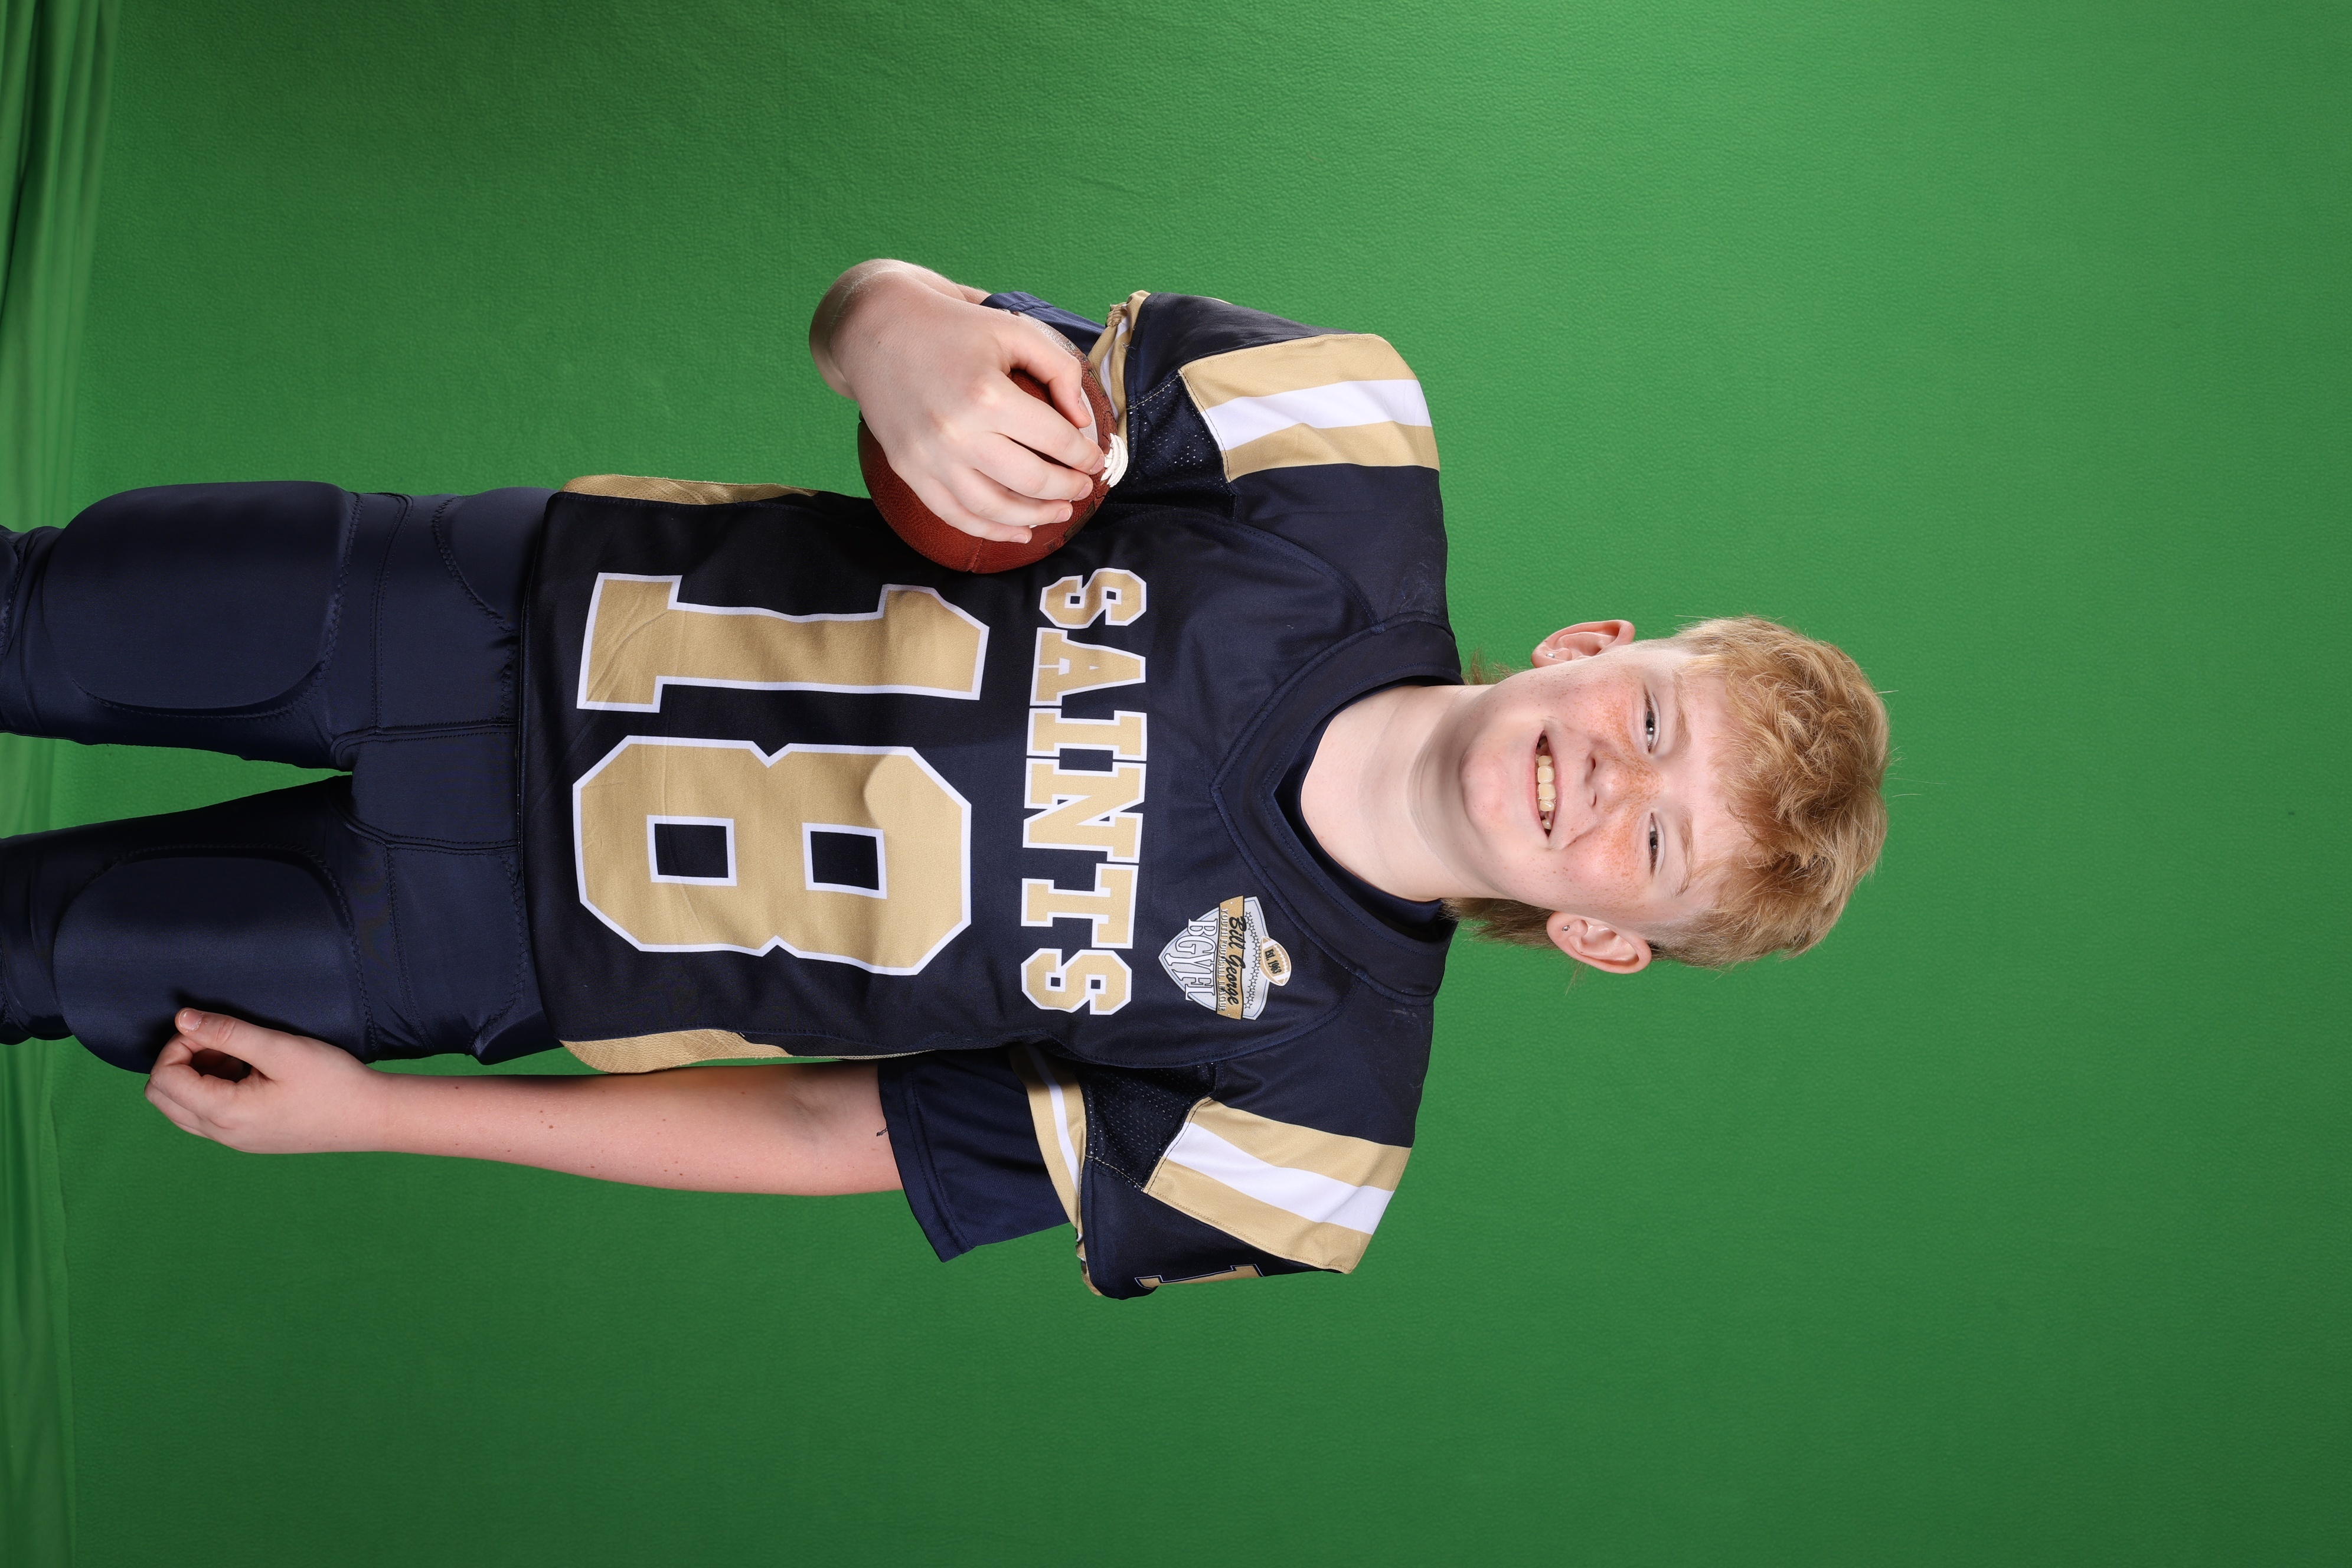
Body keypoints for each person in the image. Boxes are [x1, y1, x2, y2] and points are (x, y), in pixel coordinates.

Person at [0, 261, 1889, 1297]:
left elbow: (840, 1132)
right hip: (478, 605)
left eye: (1655, 844)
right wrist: (890, 332)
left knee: (35, 954)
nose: (1606, 782)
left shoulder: (1307, 1133)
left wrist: (390, 1121)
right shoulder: (1336, 454)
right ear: (1594, 646)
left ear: (1604, 936)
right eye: (1656, 720)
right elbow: (889, 320)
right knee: (32, 616)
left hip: (484, 942)